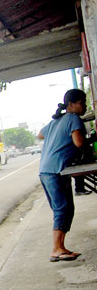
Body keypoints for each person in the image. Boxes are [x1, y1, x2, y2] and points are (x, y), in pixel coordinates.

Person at [38, 88, 87, 262]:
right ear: (71, 105)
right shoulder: (73, 119)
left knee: (66, 209)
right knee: (62, 209)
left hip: (45, 170)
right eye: (82, 102)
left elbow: (40, 134)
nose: (85, 106)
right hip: (55, 171)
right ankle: (56, 249)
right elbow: (79, 143)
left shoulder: (55, 122)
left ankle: (61, 247)